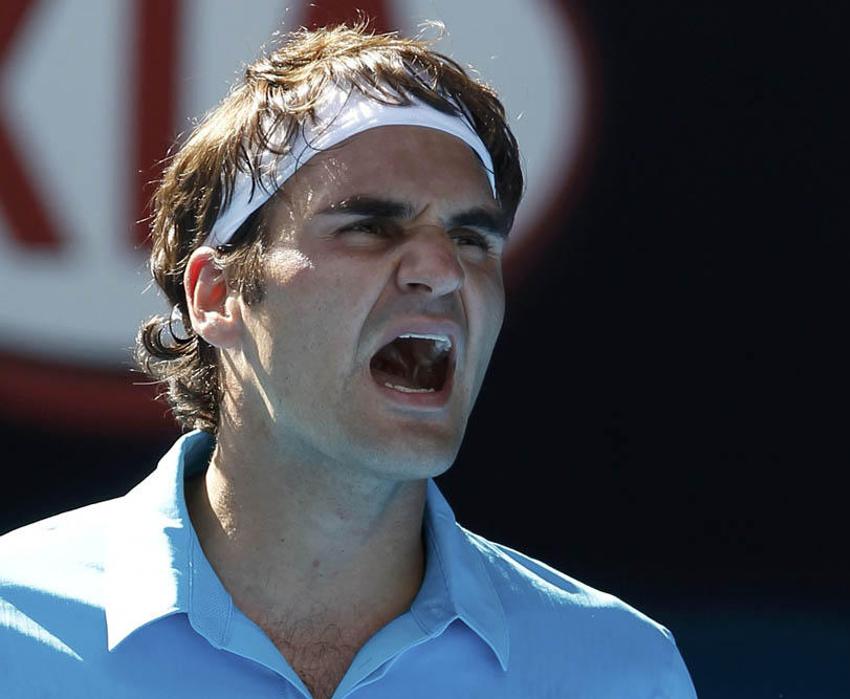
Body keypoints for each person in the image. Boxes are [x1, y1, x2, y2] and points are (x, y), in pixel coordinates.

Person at [0, 23, 697, 699]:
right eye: (369, 227)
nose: (441, 270)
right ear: (216, 295)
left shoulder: (623, 672)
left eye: (471, 238)